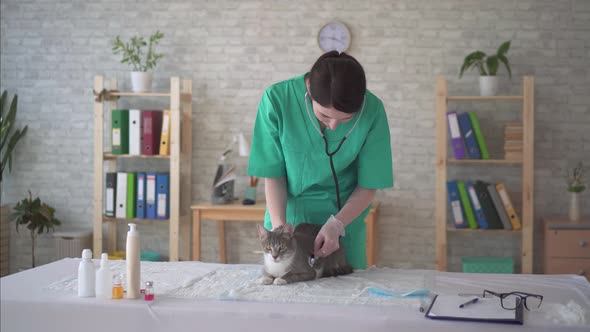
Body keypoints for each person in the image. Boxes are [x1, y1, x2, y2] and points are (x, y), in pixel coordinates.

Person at [247, 51, 393, 269]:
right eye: (324, 116)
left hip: (344, 226)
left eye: (346, 119)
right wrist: (282, 233)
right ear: (308, 92)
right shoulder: (277, 100)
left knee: (348, 294)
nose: (334, 126)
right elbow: (273, 175)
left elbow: (369, 183)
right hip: (289, 222)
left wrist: (337, 224)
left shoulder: (372, 110)